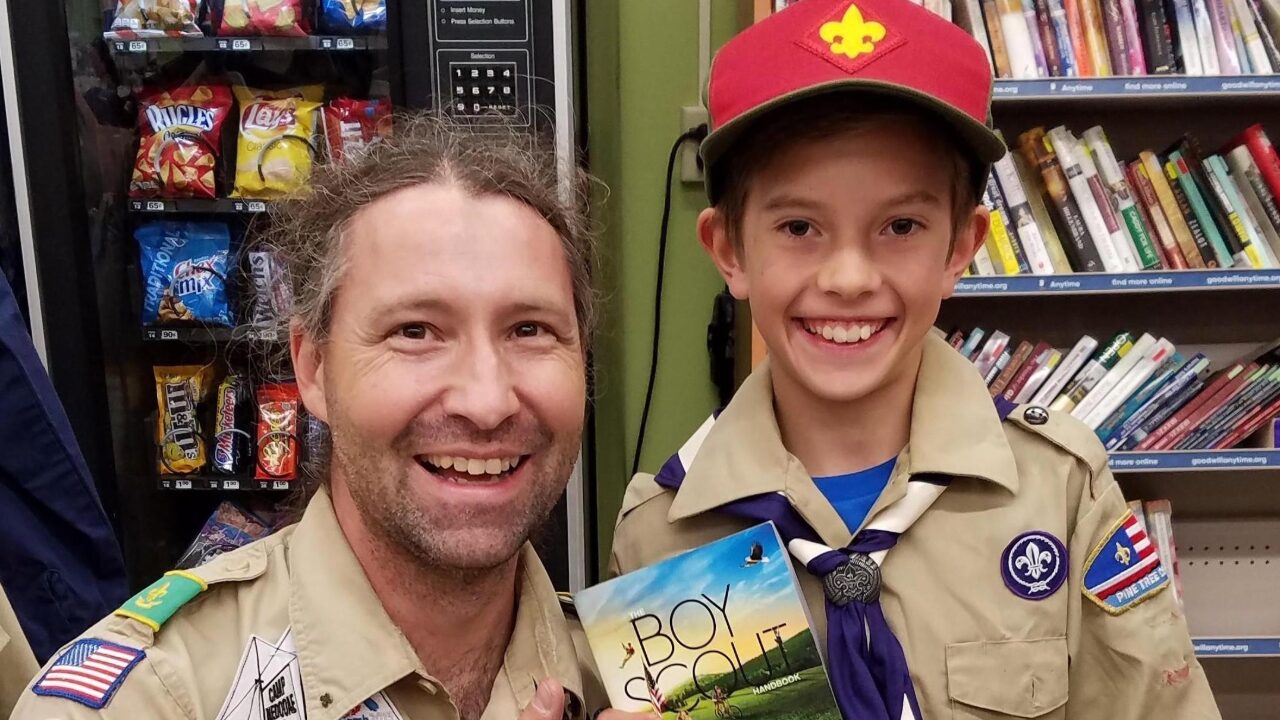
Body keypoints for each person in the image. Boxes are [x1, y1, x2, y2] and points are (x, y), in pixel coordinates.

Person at [608, 1, 1221, 719]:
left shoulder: (1059, 491)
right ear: (730, 252)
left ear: (961, 247)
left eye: (901, 226)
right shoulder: (666, 535)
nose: (848, 278)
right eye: (799, 226)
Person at [11, 114, 625, 720]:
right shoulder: (142, 701)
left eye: (530, 330)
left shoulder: (634, 676)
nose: (487, 401)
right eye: (415, 331)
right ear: (312, 369)